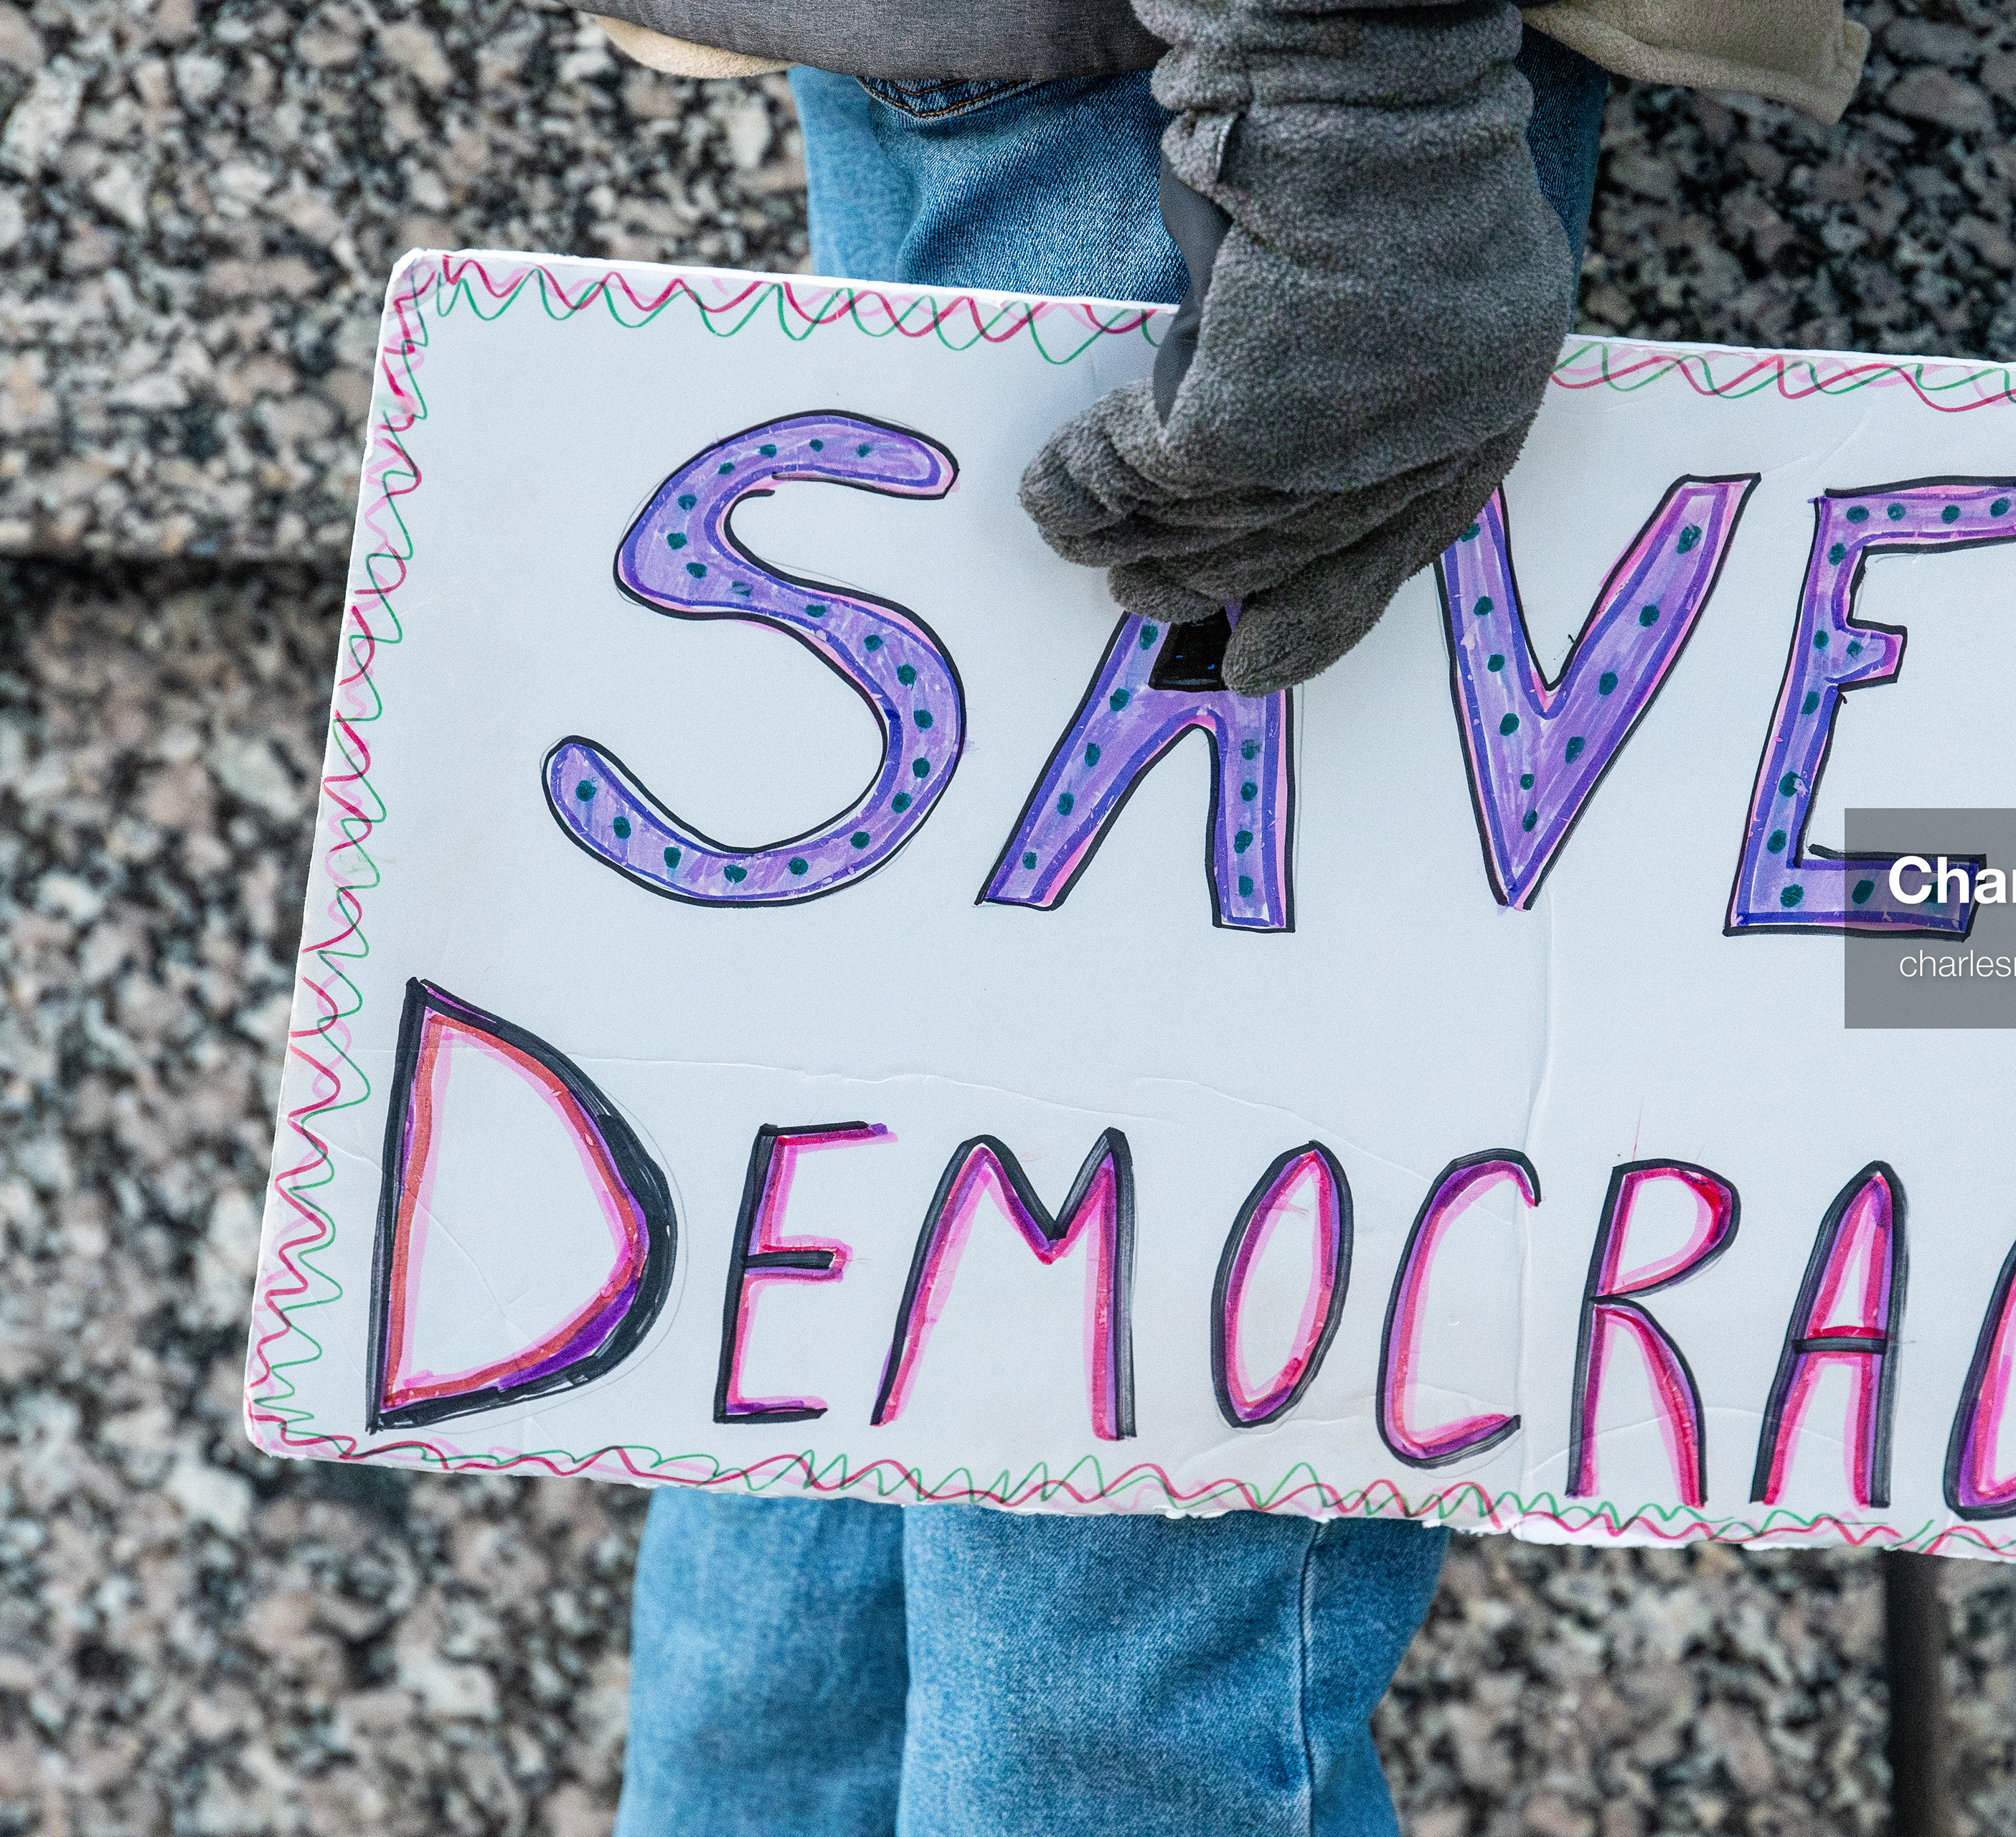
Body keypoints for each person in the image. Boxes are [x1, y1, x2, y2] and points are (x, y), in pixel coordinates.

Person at [578, 4, 1868, 1831]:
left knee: (854, 1475)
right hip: (1210, 116)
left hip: (1056, 67)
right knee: (1107, 1699)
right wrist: (1353, 114)